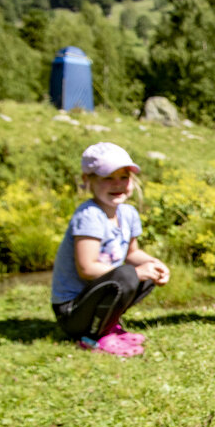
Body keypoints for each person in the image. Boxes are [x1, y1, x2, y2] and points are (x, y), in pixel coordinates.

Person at [50, 142, 170, 357]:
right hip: (72, 311)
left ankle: (108, 327)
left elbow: (132, 253)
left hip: (97, 297)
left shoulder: (128, 213)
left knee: (146, 271)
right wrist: (134, 273)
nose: (117, 184)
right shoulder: (90, 216)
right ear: (88, 181)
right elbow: (86, 268)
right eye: (108, 178)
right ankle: (93, 337)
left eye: (124, 177)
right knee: (127, 274)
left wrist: (154, 264)